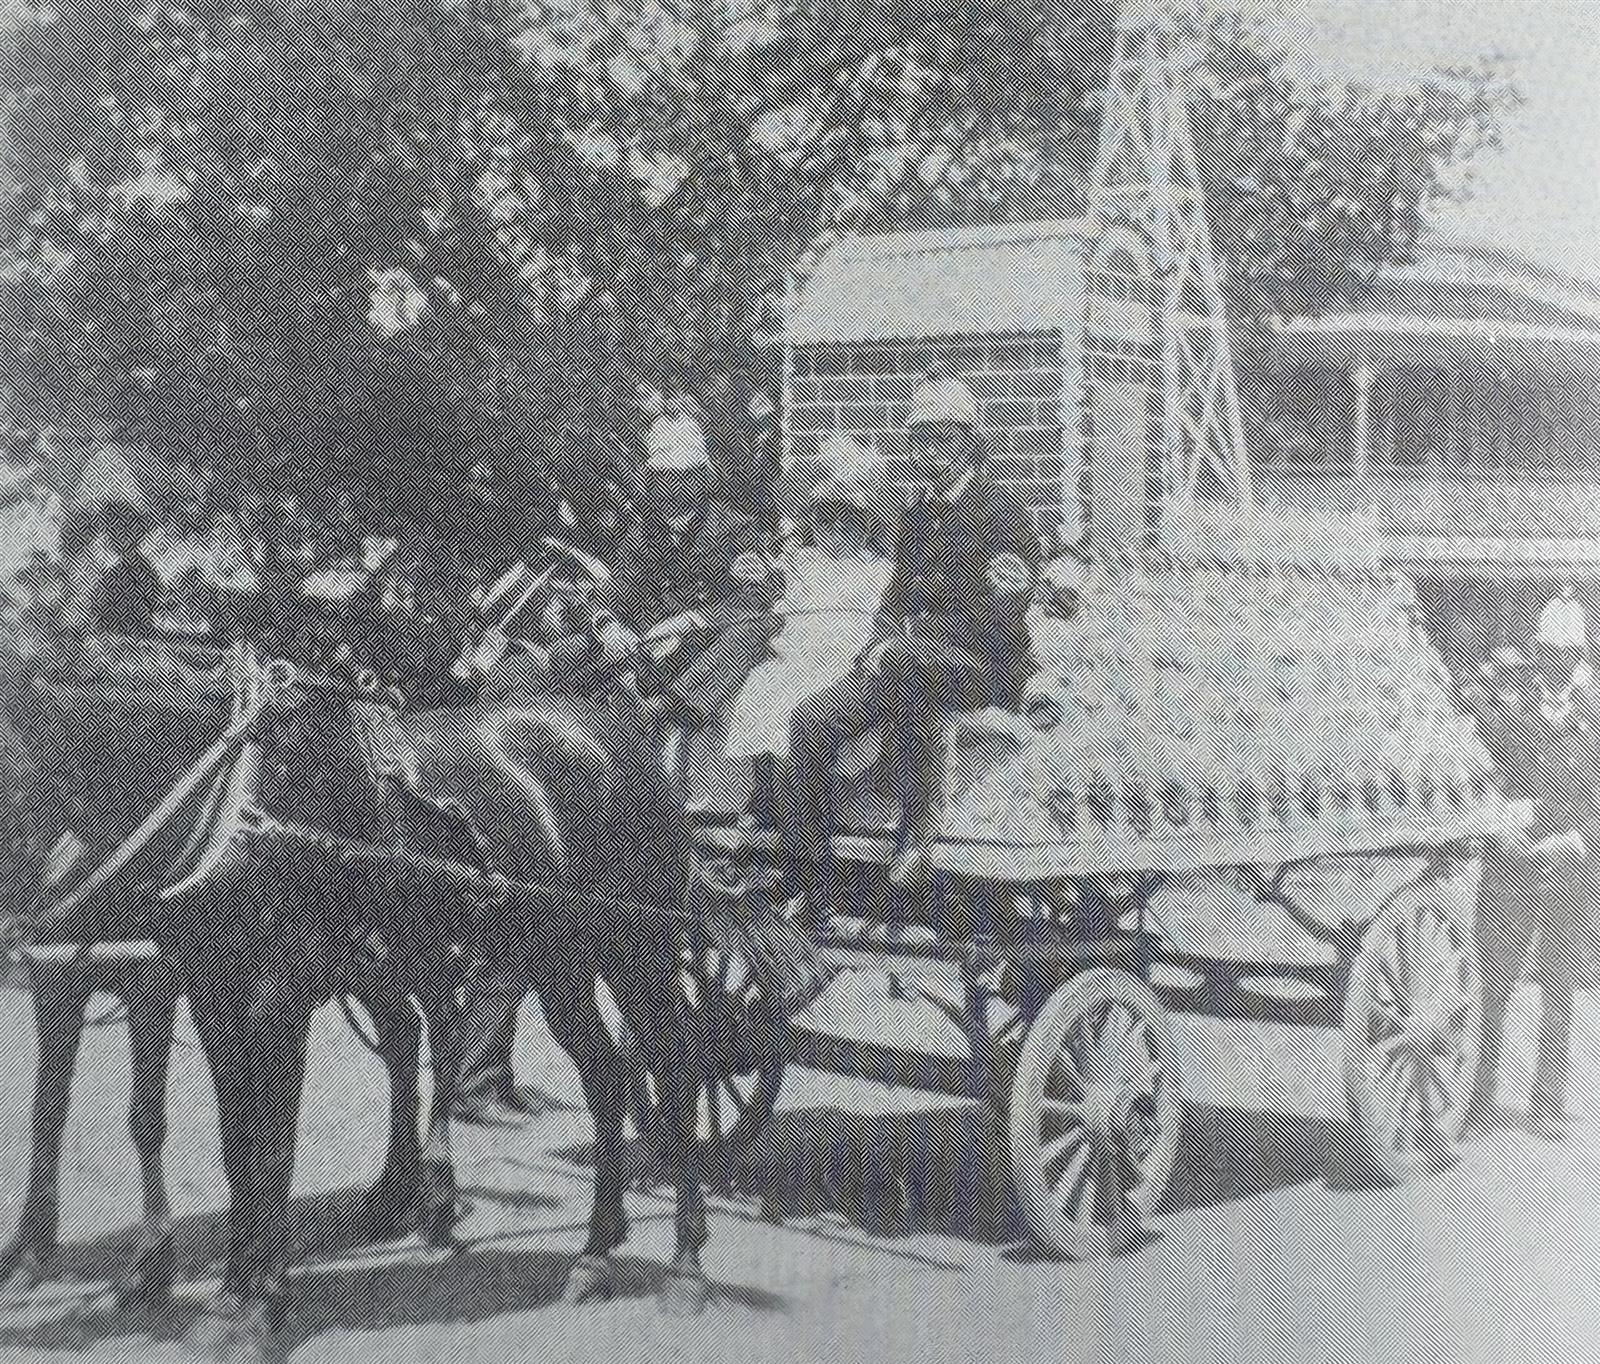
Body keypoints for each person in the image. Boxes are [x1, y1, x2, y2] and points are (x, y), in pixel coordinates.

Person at [784, 374, 1040, 906]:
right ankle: (812, 870)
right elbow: (897, 593)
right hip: (913, 658)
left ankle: (918, 837)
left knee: (911, 676)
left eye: (947, 439)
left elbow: (1002, 607)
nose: (934, 453)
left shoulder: (1001, 509)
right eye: (923, 441)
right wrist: (877, 644)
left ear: (973, 441)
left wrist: (911, 644)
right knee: (810, 719)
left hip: (985, 661)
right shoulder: (919, 512)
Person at [1467, 585, 1599, 1140]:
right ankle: (1479, 1095)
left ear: (1580, 655)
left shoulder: (1590, 713)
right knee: (1492, 978)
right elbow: (1494, 762)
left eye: (1563, 654)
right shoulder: (1518, 700)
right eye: (1545, 653)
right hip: (1513, 856)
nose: (1553, 664)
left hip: (1568, 862)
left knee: (1559, 983)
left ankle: (1546, 1099)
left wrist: (1572, 837)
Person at [89, 499, 162, 638]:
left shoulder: (139, 572)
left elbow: (140, 615)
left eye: (114, 532)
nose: (109, 538)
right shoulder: (115, 572)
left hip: (128, 643)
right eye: (109, 532)